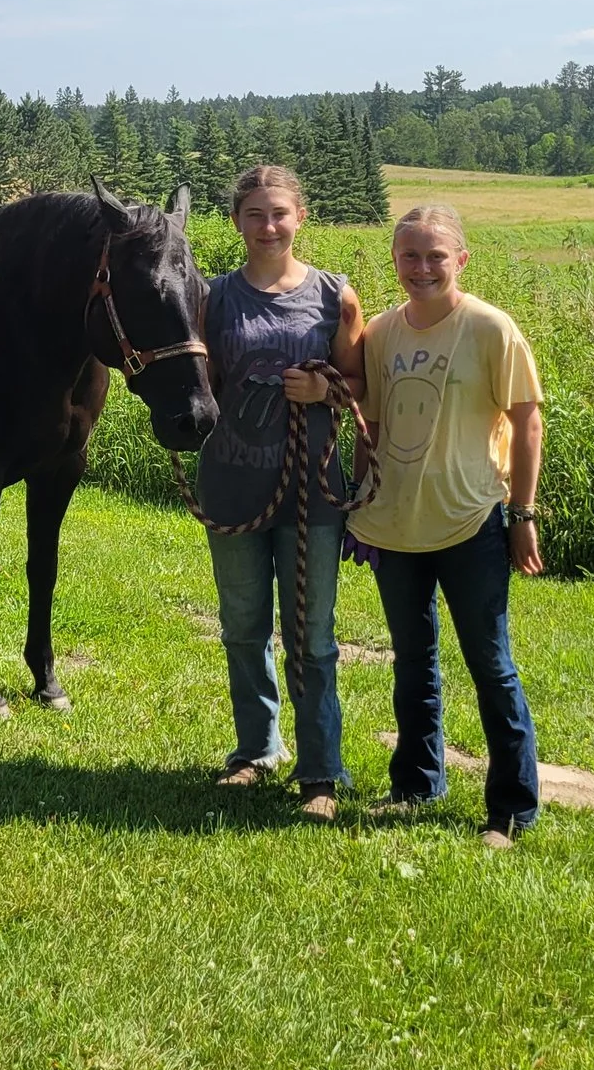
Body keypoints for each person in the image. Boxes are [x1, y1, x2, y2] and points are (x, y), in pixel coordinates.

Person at [342, 204, 546, 845]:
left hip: (470, 521)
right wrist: (358, 504)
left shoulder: (490, 328)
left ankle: (511, 807)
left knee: (491, 664)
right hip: (397, 525)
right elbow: (371, 425)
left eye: (436, 256)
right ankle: (415, 785)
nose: (422, 268)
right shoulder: (381, 332)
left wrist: (522, 514)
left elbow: (528, 421)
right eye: (410, 255)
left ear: (461, 259)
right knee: (412, 661)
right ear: (395, 260)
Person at [196, 165, 365, 821]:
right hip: (233, 484)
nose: (268, 227)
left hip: (309, 491)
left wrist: (326, 389)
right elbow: (198, 381)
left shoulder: (334, 296)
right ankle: (256, 749)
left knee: (311, 634)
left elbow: (363, 383)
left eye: (279, 214)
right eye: (255, 214)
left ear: (300, 217)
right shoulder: (213, 299)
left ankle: (320, 769)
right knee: (243, 628)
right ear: (236, 220)